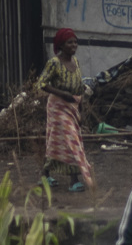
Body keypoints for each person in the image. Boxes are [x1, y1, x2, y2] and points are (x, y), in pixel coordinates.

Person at [38, 28, 93, 192]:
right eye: (70, 42)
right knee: (71, 140)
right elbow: (41, 83)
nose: (74, 45)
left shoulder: (75, 62)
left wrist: (80, 111)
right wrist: (62, 93)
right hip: (58, 108)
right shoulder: (54, 63)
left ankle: (44, 175)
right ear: (61, 45)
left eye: (75, 42)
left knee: (56, 142)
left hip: (73, 106)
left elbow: (79, 87)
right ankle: (74, 180)